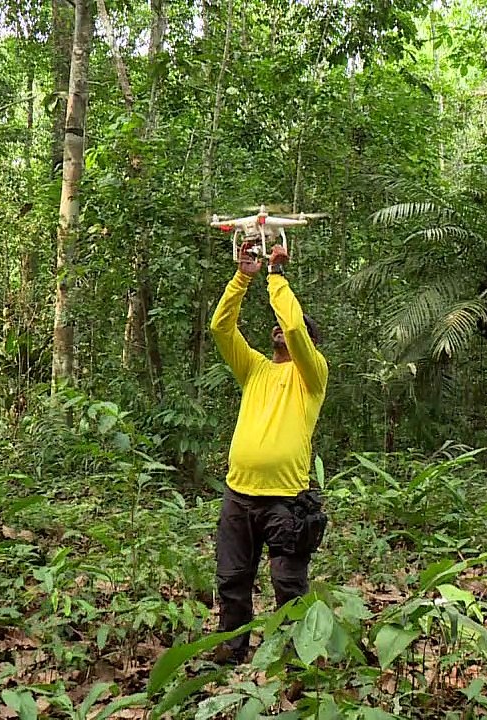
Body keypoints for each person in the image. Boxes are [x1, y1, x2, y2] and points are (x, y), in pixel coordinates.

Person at [208, 242, 328, 663]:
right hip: (238, 495)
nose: (280, 329)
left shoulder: (311, 376)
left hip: (286, 500)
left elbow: (295, 329)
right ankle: (231, 650)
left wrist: (276, 278)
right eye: (274, 327)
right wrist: (243, 276)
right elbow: (221, 329)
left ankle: (295, 660)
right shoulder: (255, 367)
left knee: (288, 584)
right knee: (232, 579)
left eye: (289, 329)